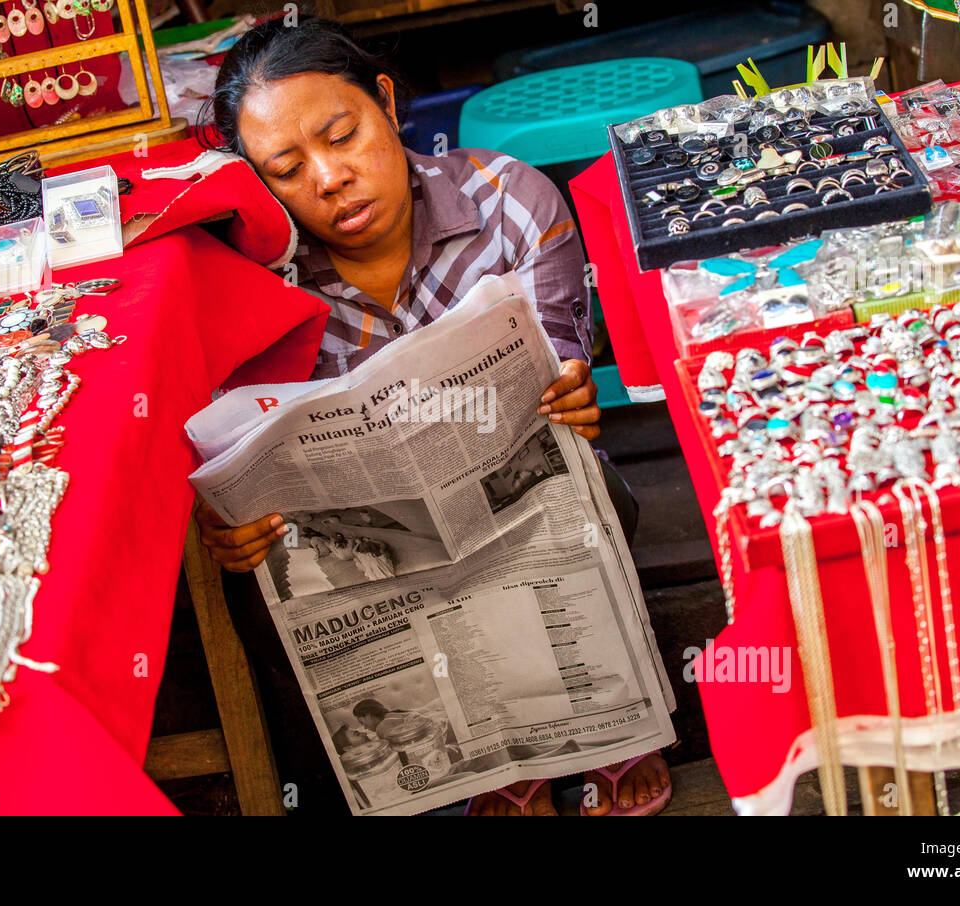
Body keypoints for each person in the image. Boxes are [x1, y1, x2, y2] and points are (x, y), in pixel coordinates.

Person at [193, 16, 665, 817]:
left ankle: (606, 725)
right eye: (286, 169)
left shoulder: (512, 200)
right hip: (382, 555)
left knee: (580, 497)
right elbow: (238, 443)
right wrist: (233, 524)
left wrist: (574, 396)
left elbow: (558, 365)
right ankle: (495, 758)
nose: (329, 178)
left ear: (385, 102)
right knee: (274, 583)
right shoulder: (256, 283)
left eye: (341, 136)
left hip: (525, 507)